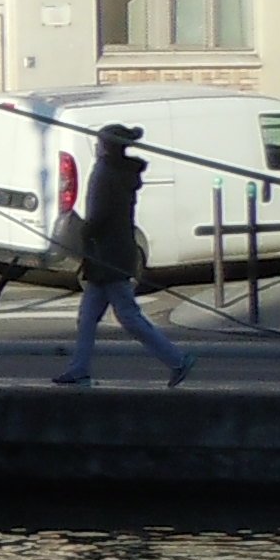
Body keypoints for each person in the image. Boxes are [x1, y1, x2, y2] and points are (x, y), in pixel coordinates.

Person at [56, 122, 197, 385]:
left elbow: (98, 216)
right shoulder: (124, 173)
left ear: (106, 147)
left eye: (99, 142)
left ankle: (177, 359)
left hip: (106, 256)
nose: (97, 146)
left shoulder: (104, 173)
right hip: (118, 252)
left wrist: (82, 234)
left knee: (128, 316)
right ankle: (79, 368)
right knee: (88, 317)